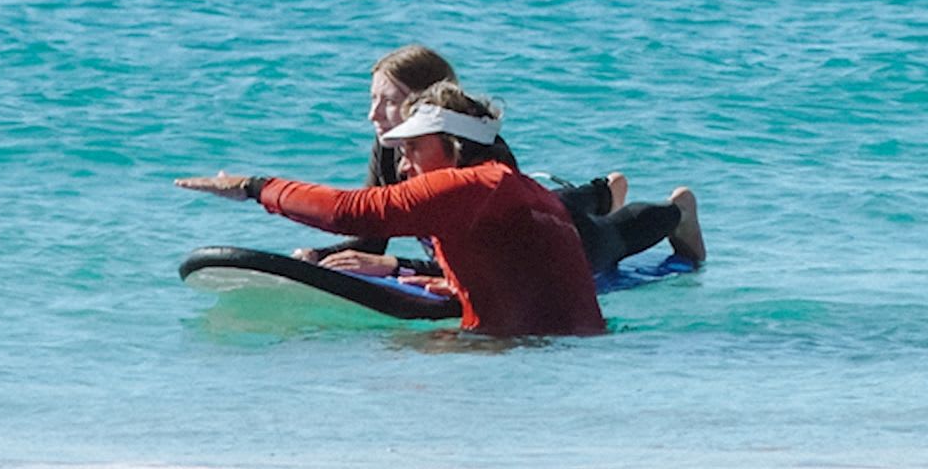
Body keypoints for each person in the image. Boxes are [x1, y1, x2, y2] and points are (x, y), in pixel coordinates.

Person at [176, 83, 610, 338]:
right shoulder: (520, 188)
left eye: (413, 148)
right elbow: (532, 280)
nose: (403, 166)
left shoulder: (472, 184)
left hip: (513, 356)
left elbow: (349, 212)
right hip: (560, 358)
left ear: (454, 146)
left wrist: (254, 186)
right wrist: (459, 286)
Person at [295, 45, 703, 276]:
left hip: (547, 242)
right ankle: (603, 192)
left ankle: (677, 211)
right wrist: (319, 257)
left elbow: (493, 260)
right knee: (559, 200)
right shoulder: (388, 147)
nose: (373, 114)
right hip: (537, 208)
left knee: (607, 239)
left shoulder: (477, 150)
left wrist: (393, 266)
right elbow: (372, 234)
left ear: (425, 103)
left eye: (388, 101)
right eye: (372, 99)